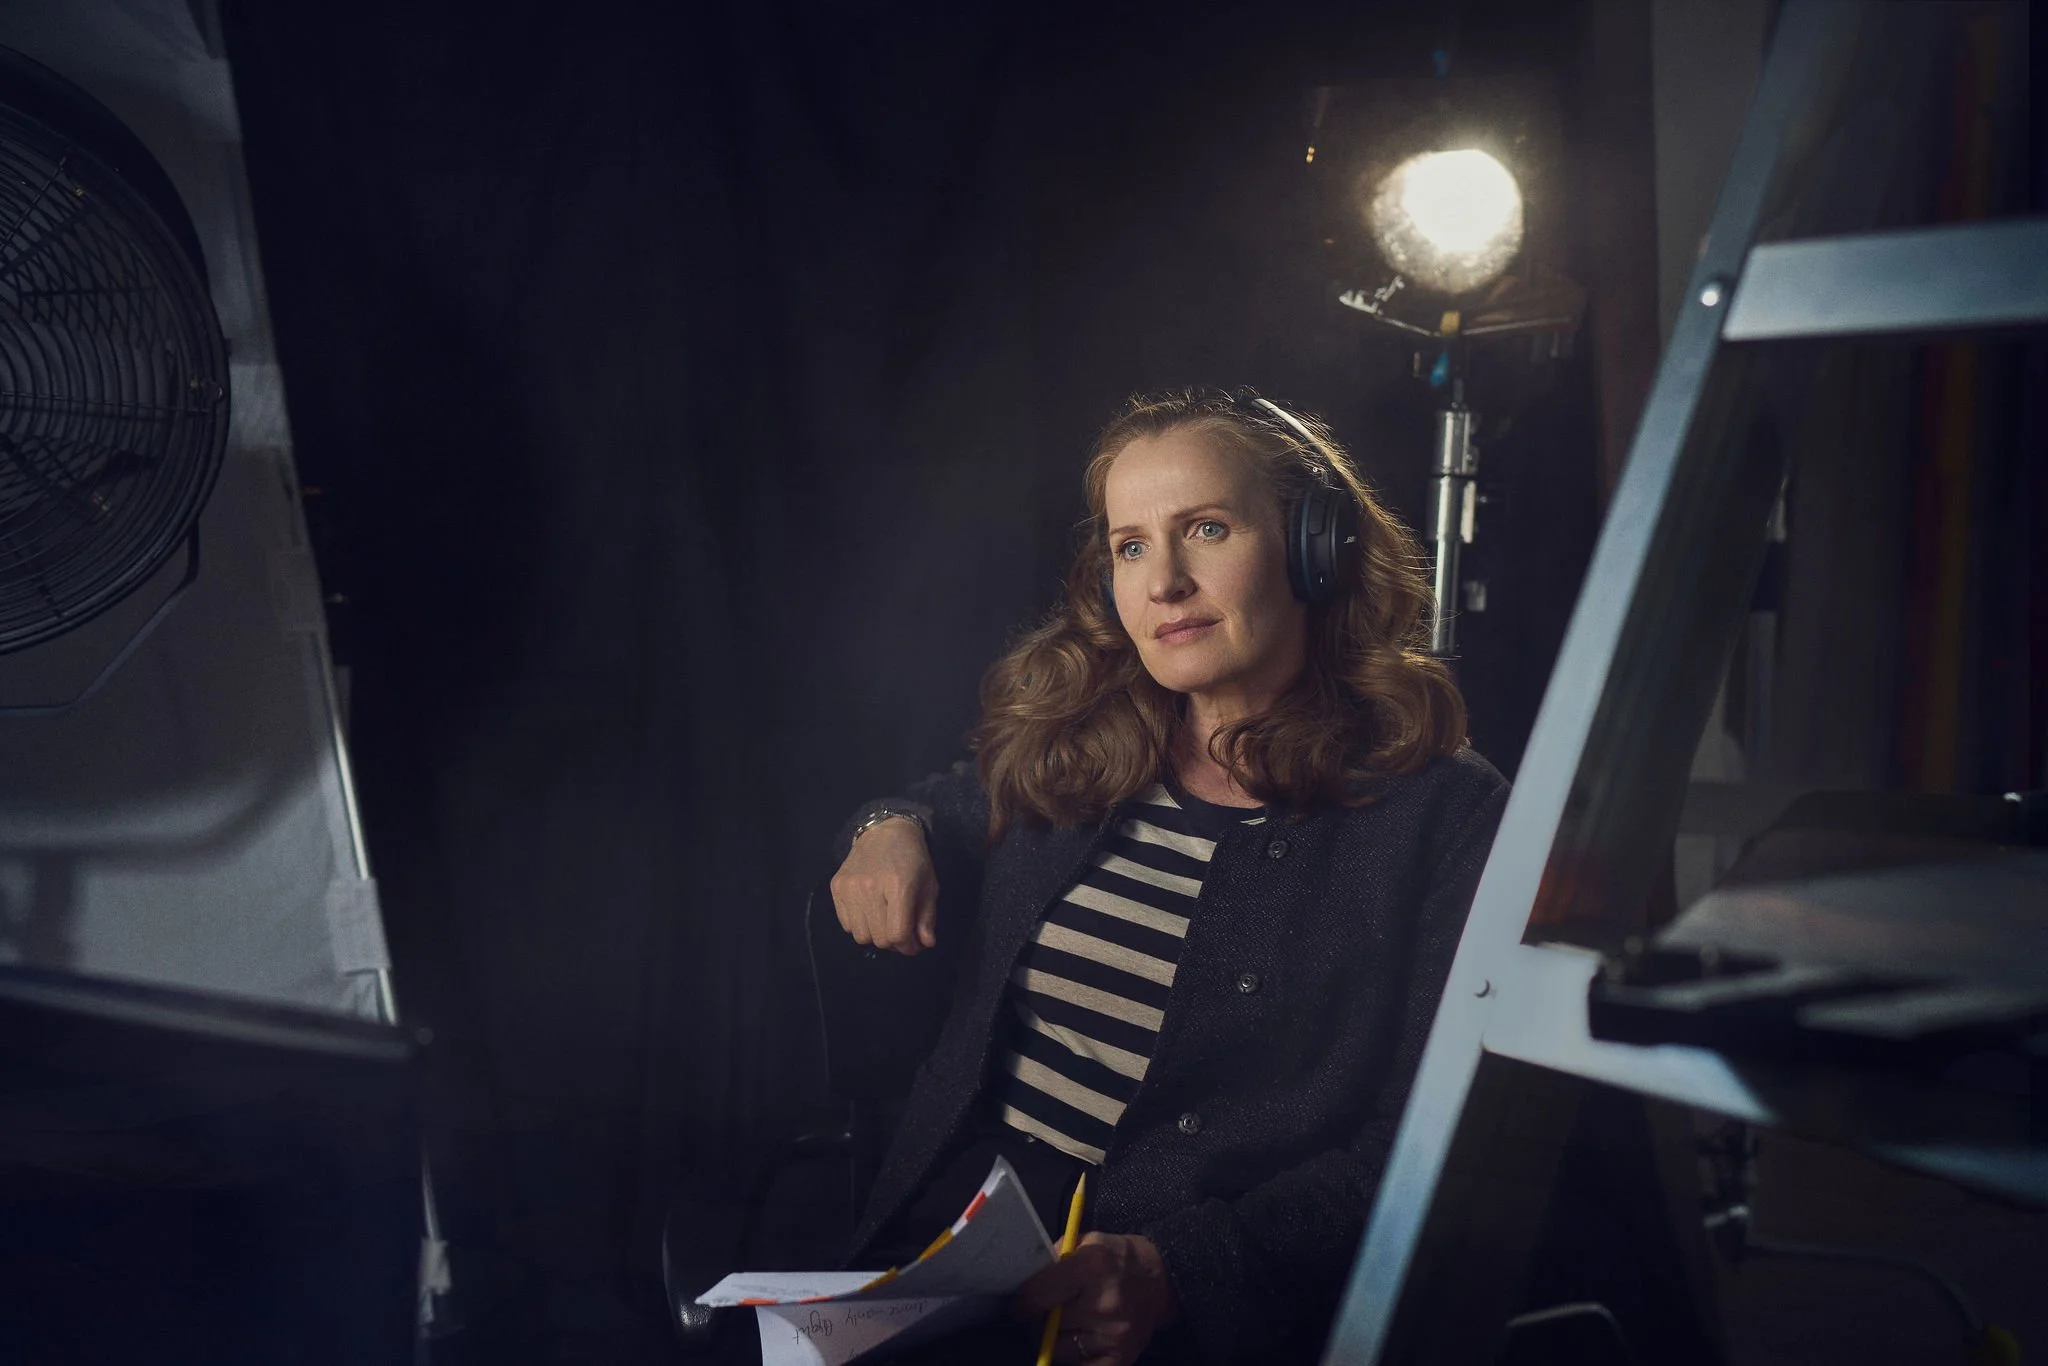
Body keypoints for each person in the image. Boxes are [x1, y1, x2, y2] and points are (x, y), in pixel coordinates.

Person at [826, 388, 1507, 1365]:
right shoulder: (1078, 742)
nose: (1164, 582)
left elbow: (1425, 1145)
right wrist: (886, 825)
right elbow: (942, 800)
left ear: (1318, 548)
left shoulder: (1441, 813)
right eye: (1130, 545)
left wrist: (1181, 1270)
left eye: (1208, 529)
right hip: (949, 1265)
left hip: (1185, 1317)